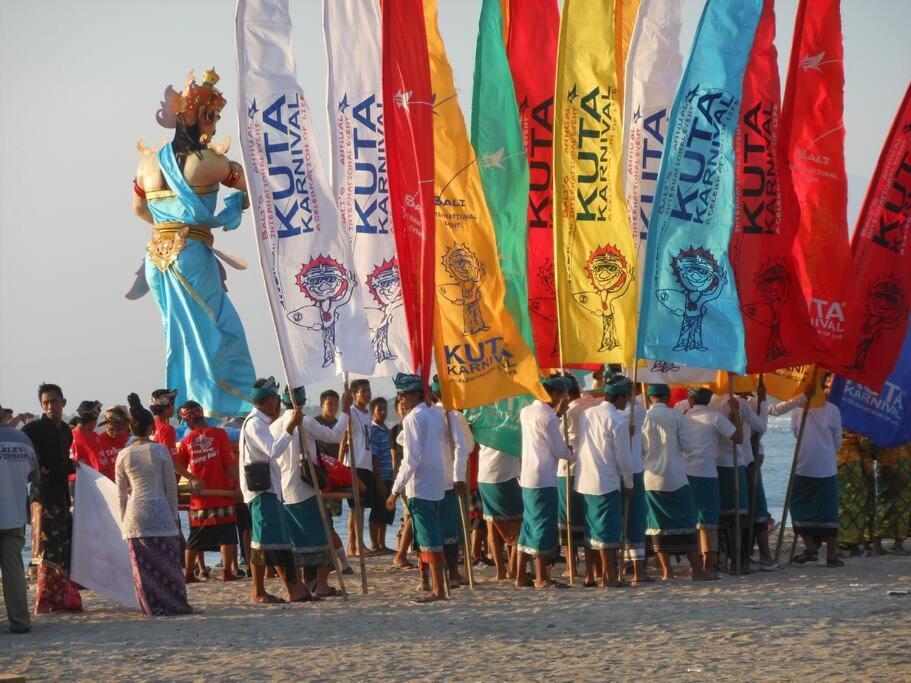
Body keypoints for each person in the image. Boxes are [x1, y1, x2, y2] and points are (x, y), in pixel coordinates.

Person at [131, 68, 255, 418]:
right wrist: (238, 205)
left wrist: (169, 226)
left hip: (156, 257)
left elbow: (139, 208)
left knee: (178, 335)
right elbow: (253, 187)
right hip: (190, 255)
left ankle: (184, 412)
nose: (214, 127)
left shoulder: (148, 164)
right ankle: (220, 410)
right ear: (200, 117)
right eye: (213, 118)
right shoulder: (209, 162)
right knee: (219, 328)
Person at [115, 394, 193, 616]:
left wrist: (123, 521)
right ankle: (175, 604)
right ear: (151, 427)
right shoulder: (160, 450)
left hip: (135, 513)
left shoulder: (123, 455)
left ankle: (150, 606)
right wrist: (175, 518)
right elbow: (171, 487)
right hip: (159, 509)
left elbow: (121, 493)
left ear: (131, 428)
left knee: (142, 567)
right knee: (169, 564)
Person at [272, 386, 350, 598]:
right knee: (323, 534)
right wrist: (345, 410)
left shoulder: (275, 425)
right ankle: (322, 585)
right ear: (303, 401)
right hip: (306, 487)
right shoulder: (304, 421)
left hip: (284, 490)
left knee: (296, 540)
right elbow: (334, 436)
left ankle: (304, 584)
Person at [240, 377, 311, 603]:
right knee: (264, 542)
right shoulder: (255, 424)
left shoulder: (259, 422)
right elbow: (273, 450)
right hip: (262, 490)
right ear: (269, 400)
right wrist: (290, 427)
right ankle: (261, 591)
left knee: (273, 540)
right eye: (276, 400)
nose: (279, 405)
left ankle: (293, 588)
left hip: (270, 488)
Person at [386, 373, 448, 603]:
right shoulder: (434, 414)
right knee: (430, 536)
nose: (400, 399)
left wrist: (395, 489)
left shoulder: (414, 418)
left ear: (414, 394)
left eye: (403, 395)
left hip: (421, 484)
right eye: (399, 395)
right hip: (436, 481)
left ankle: (438, 590)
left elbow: (410, 459)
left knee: (429, 538)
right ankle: (437, 586)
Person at [22, 383, 83, 613]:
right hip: (42, 497)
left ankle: (62, 598)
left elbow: (64, 461)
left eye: (54, 401)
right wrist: (36, 466)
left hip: (62, 495)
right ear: (41, 405)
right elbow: (21, 447)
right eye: (45, 402)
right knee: (45, 548)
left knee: (63, 547)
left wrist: (75, 466)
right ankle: (44, 601)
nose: (50, 406)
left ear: (63, 402)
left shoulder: (67, 430)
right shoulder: (34, 429)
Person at [641, 384, 711, 581]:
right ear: (667, 397)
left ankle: (667, 571)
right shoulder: (677, 416)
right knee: (687, 522)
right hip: (676, 476)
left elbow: (639, 451)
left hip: (651, 477)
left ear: (649, 398)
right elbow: (688, 447)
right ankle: (697, 570)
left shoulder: (643, 417)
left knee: (657, 526)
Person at [770, 380, 844, 566]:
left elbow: (796, 432)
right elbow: (837, 440)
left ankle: (811, 547)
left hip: (804, 465)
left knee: (798, 506)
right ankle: (831, 555)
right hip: (826, 466)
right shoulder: (832, 409)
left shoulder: (799, 409)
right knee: (828, 510)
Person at [574, 375, 636, 588]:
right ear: (619, 397)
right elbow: (624, 458)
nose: (628, 402)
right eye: (627, 397)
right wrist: (629, 483)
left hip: (585, 478)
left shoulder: (587, 414)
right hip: (606, 479)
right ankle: (608, 576)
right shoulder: (617, 420)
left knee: (591, 529)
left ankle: (591, 575)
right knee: (607, 531)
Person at [516, 375, 574, 589]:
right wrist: (570, 452)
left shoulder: (527, 411)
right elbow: (559, 449)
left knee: (529, 523)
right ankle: (540, 576)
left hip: (528, 474)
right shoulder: (547, 416)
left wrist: (558, 414)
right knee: (542, 524)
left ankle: (521, 574)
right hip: (544, 476)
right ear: (556, 394)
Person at [176, 401, 240, 582]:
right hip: (219, 494)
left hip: (203, 497)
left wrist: (190, 477)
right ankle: (226, 572)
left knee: (196, 538)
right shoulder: (219, 434)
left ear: (187, 420)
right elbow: (229, 463)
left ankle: (189, 573)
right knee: (227, 535)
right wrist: (237, 485)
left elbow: (177, 466)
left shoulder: (187, 440)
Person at [682, 387, 741, 578]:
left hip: (685, 473)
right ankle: (709, 565)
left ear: (691, 399)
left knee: (693, 520)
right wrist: (737, 413)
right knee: (708, 521)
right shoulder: (714, 417)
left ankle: (698, 564)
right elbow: (738, 438)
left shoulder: (683, 417)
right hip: (706, 473)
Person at [0, 408, 40, 633]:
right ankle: (20, 621)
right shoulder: (22, 439)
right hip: (14, 515)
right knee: (14, 571)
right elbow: (35, 476)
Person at [430, 377, 473, 587]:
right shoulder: (454, 415)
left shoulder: (424, 415)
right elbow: (467, 445)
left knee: (434, 528)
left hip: (430, 480)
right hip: (449, 479)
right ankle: (453, 573)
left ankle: (434, 576)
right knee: (450, 528)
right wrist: (459, 475)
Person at [558, 374, 601, 577]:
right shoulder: (591, 406)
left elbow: (556, 441)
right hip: (589, 470)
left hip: (568, 470)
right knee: (587, 519)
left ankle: (572, 567)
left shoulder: (568, 413)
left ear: (565, 395)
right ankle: (594, 566)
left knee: (568, 521)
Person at [343, 379, 379, 558]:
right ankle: (359, 545)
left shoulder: (367, 414)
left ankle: (352, 545)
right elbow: (343, 438)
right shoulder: (351, 412)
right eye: (363, 391)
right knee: (357, 507)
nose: (367, 393)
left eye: (368, 390)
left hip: (366, 464)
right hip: (354, 465)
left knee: (359, 508)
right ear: (354, 394)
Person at [477, 444, 523, 581]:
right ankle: (512, 569)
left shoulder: (482, 422)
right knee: (517, 525)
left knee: (492, 523)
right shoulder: (512, 422)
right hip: (506, 473)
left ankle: (501, 570)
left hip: (485, 474)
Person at [836, 431, 876, 555]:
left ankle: (845, 541)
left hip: (835, 462)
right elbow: (864, 444)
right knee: (855, 502)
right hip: (852, 463)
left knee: (841, 501)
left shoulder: (833, 415)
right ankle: (849, 542)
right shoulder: (857, 420)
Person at [389, 395, 415, 570]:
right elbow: (394, 459)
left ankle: (405, 552)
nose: (405, 411)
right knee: (413, 516)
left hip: (412, 476)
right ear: (397, 410)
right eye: (402, 408)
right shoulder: (395, 430)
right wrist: (395, 486)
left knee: (408, 516)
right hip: (403, 476)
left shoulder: (413, 424)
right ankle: (401, 554)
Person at [872, 442, 911, 555]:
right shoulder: (906, 426)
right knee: (902, 504)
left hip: (883, 462)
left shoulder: (882, 425)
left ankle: (877, 544)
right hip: (902, 463)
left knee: (882, 502)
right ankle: (898, 545)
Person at [368, 397, 395, 553]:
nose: (383, 412)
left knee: (386, 511)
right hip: (379, 477)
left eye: (385, 409)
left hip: (389, 476)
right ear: (373, 412)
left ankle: (382, 543)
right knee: (377, 511)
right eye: (380, 410)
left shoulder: (386, 429)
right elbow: (374, 457)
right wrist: (378, 480)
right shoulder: (374, 431)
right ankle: (374, 544)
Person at [96, 406, 131, 481]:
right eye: (111, 429)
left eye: (118, 429)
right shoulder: (97, 440)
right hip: (109, 486)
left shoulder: (129, 439)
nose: (115, 432)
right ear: (106, 425)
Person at [69, 400, 103, 477]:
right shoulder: (73, 438)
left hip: (94, 479)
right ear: (91, 422)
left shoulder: (94, 435)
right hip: (80, 482)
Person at [150, 389, 180, 461]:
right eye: (172, 403)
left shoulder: (147, 426)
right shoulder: (166, 429)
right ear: (166, 407)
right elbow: (171, 460)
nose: (173, 407)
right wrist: (187, 473)